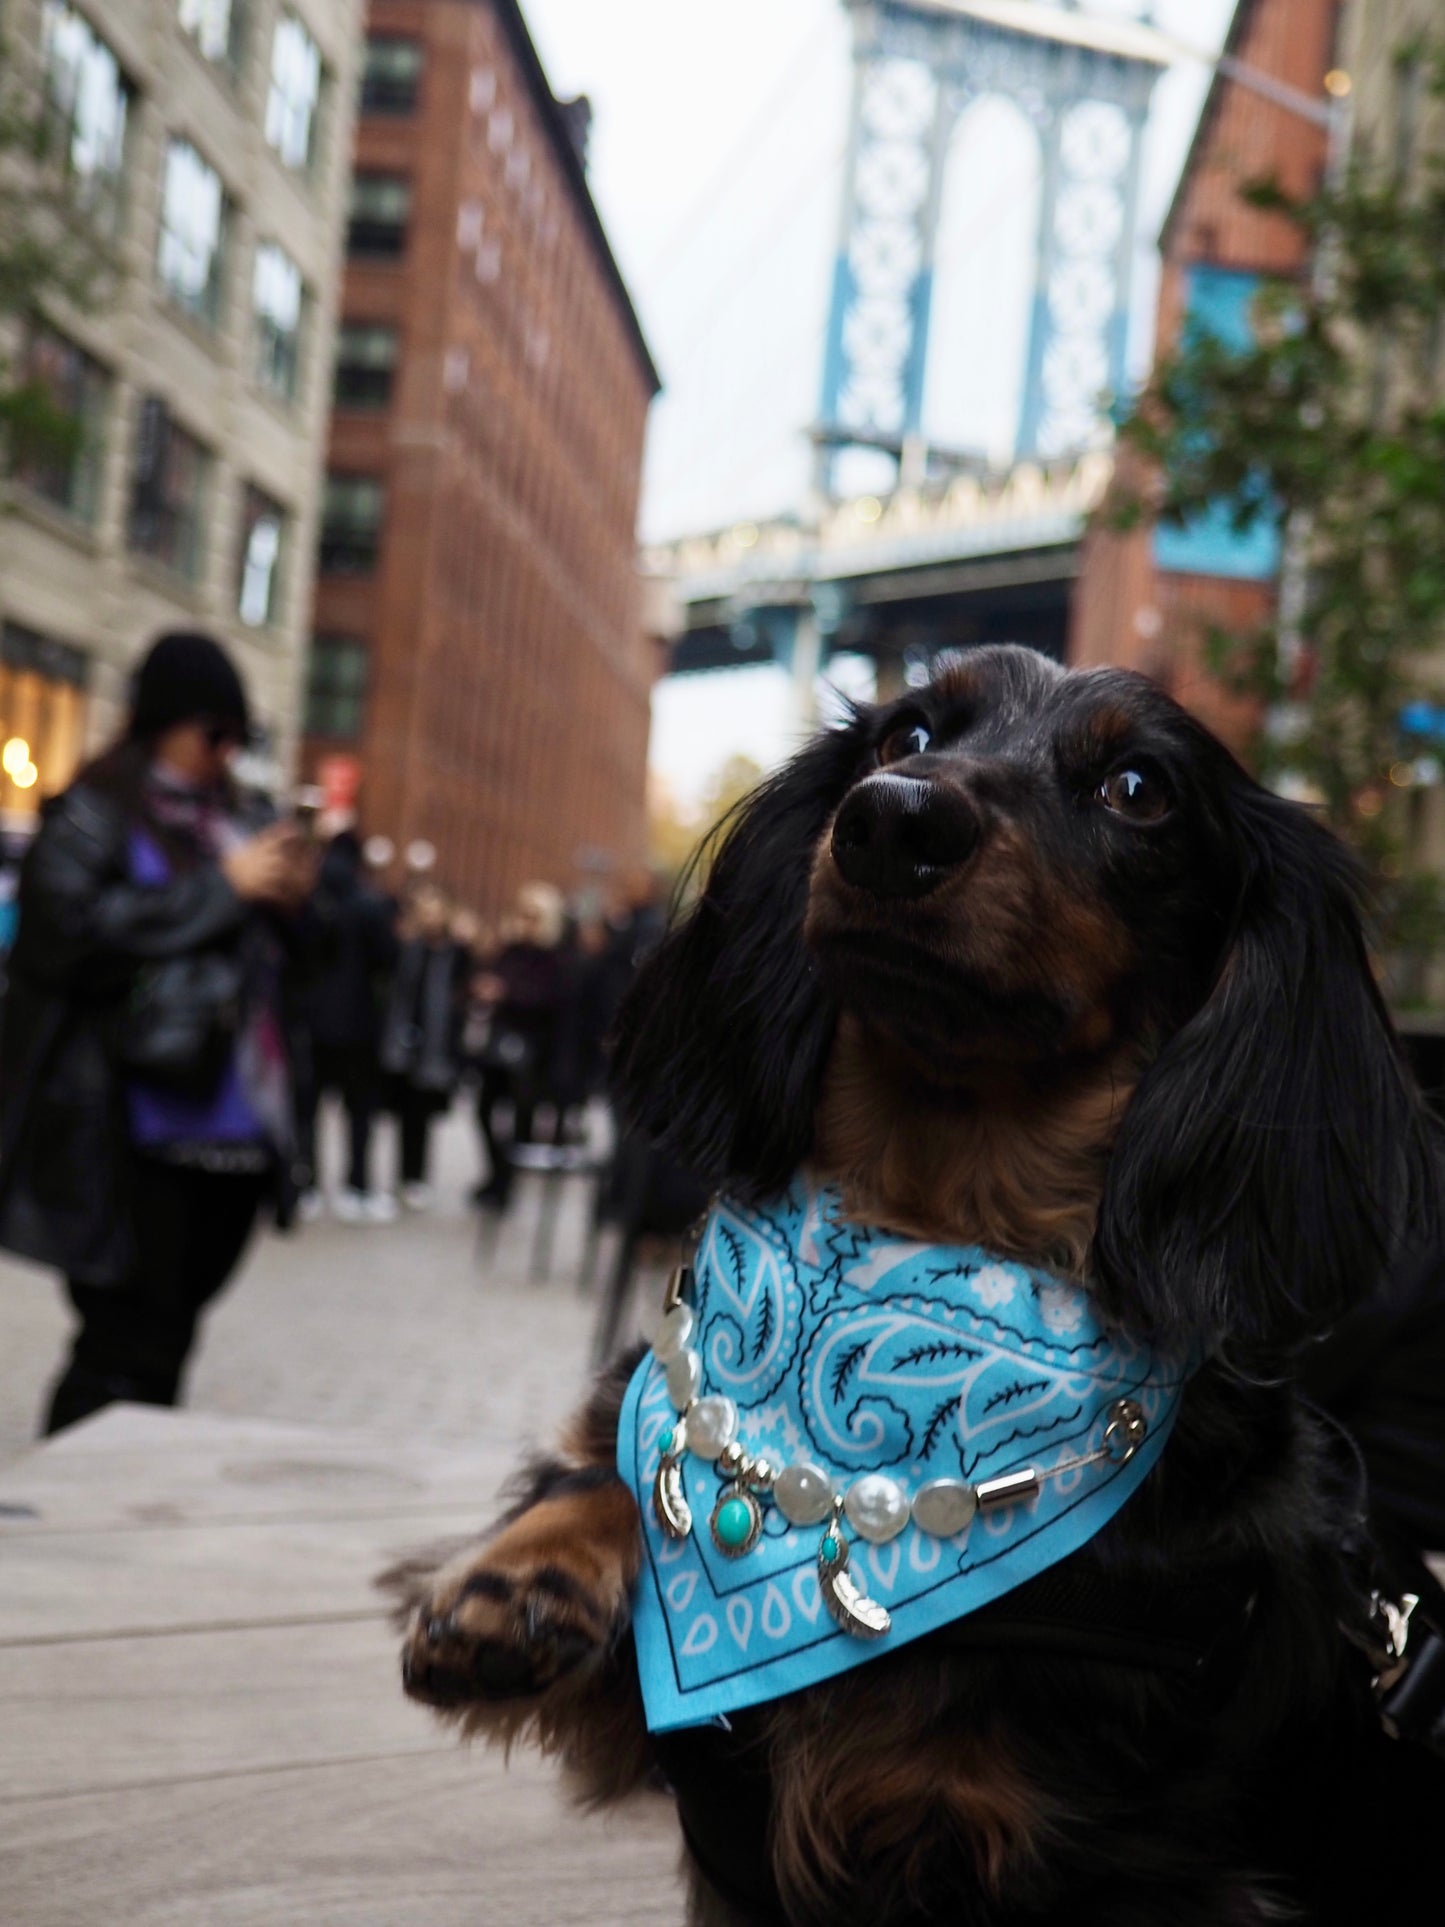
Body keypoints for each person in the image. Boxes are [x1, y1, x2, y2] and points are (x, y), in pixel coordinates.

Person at [0, 631, 314, 1433]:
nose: (226, 755)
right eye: (215, 734)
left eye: (239, 739)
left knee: (168, 1345)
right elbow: (62, 936)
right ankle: (64, 1522)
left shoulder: (234, 824)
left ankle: (113, 1512)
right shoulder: (95, 812)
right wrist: (222, 888)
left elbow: (291, 974)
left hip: (231, 1138)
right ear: (167, 722)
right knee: (116, 1349)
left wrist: (292, 901)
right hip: (124, 1131)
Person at [294, 829, 399, 1223]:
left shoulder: (309, 903)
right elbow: (389, 959)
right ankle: (356, 1186)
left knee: (308, 1108)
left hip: (311, 1020)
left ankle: (306, 1184)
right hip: (358, 1025)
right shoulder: (369, 905)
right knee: (359, 1111)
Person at [472, 881, 569, 1209]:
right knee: (484, 1110)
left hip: (530, 1051)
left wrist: (507, 994)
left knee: (519, 1117)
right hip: (498, 1045)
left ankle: (505, 1182)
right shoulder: (509, 950)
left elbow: (549, 1001)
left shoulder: (553, 958)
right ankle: (496, 1172)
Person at [379, 882, 469, 1208]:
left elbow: (464, 994)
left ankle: (418, 1177)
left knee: (424, 1116)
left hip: (438, 1046)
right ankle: (403, 1177)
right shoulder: (407, 949)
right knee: (405, 1115)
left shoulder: (457, 953)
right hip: (406, 1042)